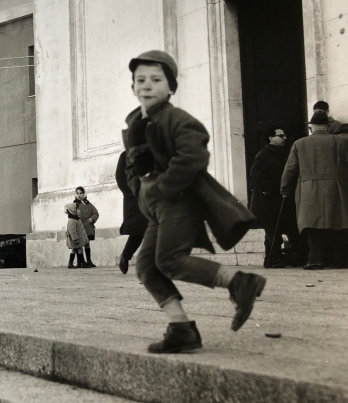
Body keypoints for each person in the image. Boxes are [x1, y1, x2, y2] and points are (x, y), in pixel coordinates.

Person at [124, 50, 265, 354]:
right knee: (148, 267)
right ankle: (181, 328)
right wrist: (140, 190)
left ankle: (240, 281)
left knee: (170, 260)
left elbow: (193, 156)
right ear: (133, 86)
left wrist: (160, 187)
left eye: (156, 79)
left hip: (180, 202)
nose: (146, 85)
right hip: (157, 209)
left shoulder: (179, 119)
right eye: (140, 80)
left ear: (171, 87)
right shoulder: (136, 123)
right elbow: (132, 164)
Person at [281, 111, 348, 270]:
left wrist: (285, 189)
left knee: (312, 225)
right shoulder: (341, 142)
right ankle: (339, 260)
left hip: (309, 189)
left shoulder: (299, 144)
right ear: (328, 126)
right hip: (336, 187)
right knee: (337, 222)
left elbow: (290, 169)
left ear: (311, 127)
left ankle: (315, 260)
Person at [249, 127, 302, 268]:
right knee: (273, 229)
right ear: (271, 138)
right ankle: (275, 259)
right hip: (268, 201)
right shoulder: (264, 154)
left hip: (276, 200)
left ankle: (272, 259)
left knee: (274, 229)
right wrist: (266, 190)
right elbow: (256, 174)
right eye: (281, 136)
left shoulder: (280, 152)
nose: (284, 138)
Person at [115, 150, 148, 274]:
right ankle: (126, 256)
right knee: (138, 230)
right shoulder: (126, 155)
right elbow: (120, 178)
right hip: (136, 199)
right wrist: (131, 193)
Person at [73, 187, 99, 267]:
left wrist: (92, 218)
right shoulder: (74, 205)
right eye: (77, 193)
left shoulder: (88, 204)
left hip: (88, 227)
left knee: (87, 243)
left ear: (84, 194)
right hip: (79, 227)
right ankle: (79, 262)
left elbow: (96, 213)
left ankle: (88, 261)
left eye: (81, 193)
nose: (79, 195)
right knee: (79, 245)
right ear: (75, 194)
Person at [64, 202, 89, 268]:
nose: (79, 211)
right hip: (75, 239)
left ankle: (71, 263)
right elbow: (72, 231)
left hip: (77, 239)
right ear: (73, 211)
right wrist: (75, 239)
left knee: (74, 250)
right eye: (78, 209)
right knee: (80, 250)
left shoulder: (75, 219)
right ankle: (82, 262)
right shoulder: (72, 220)